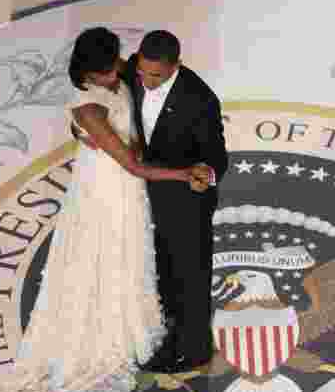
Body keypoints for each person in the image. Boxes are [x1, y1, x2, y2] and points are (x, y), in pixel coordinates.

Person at [0, 27, 210, 392]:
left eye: (117, 66)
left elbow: (132, 88)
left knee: (134, 255)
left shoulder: (117, 70)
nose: (121, 76)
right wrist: (184, 173)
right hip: (110, 189)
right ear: (90, 74)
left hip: (128, 187)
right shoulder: (89, 108)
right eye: (109, 73)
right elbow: (133, 165)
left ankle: (142, 316)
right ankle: (114, 333)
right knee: (108, 255)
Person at [74, 29, 229, 374]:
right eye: (141, 72)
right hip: (141, 193)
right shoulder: (130, 71)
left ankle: (195, 348)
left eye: (156, 76)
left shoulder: (200, 99)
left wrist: (206, 172)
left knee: (190, 271)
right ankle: (165, 331)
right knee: (159, 267)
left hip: (186, 196)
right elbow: (94, 103)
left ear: (176, 67)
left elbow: (217, 154)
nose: (145, 80)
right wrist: (83, 129)